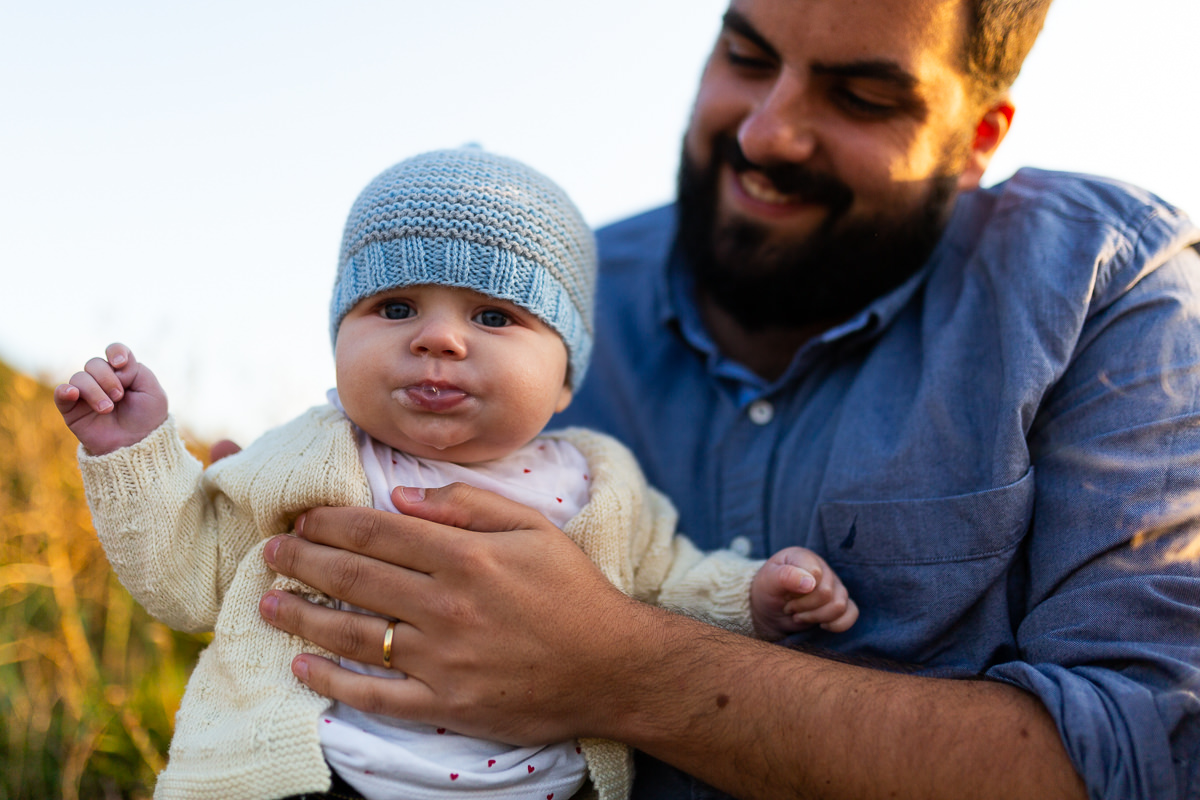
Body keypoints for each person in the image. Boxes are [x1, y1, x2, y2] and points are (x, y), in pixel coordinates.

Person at [250, 1, 1200, 799]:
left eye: (862, 96)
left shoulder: (1100, 291)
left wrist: (618, 671)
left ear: (976, 139)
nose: (765, 133)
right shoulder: (543, 309)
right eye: (746, 56)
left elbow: (1143, 754)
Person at [54, 148, 858, 800]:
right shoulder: (308, 455)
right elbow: (188, 574)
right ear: (339, 336)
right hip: (311, 778)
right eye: (396, 307)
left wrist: (752, 595)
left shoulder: (598, 485)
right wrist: (135, 451)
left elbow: (668, 582)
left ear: (567, 378)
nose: (439, 339)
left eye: (494, 316)